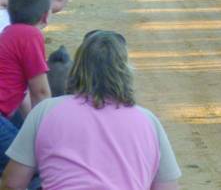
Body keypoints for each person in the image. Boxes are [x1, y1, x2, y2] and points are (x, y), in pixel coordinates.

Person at [1, 30, 181, 190]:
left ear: (77, 67)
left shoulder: (45, 111)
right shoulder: (148, 121)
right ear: (125, 71)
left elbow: (13, 183)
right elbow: (168, 186)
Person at [0, 0, 53, 178]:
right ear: (46, 16)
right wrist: (49, 134)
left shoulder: (8, 34)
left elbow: (23, 100)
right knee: (29, 169)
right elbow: (40, 92)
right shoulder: (30, 35)